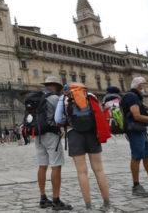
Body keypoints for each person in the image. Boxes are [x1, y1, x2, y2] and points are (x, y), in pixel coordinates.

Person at [55, 83, 112, 212]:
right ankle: (107, 205)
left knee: (82, 172)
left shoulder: (64, 98)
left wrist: (69, 122)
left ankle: (88, 207)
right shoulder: (90, 95)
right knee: (99, 170)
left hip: (74, 134)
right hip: (92, 133)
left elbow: (57, 118)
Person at [35, 76, 72, 211]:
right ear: (56, 86)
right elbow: (62, 116)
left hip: (38, 135)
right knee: (56, 165)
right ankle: (56, 200)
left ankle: (43, 197)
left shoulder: (38, 97)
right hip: (51, 134)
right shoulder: (55, 98)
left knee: (42, 165)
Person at [120, 77, 148, 197]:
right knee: (136, 157)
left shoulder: (135, 97)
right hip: (134, 130)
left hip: (140, 130)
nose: (146, 88)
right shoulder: (132, 96)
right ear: (140, 85)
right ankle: (136, 186)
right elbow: (136, 115)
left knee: (147, 156)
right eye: (145, 85)